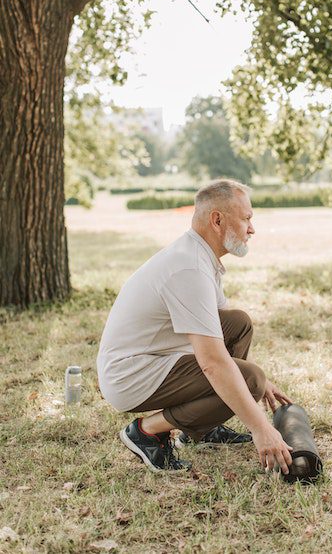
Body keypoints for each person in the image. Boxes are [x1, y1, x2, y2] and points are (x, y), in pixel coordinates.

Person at [97, 179, 293, 474]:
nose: (252, 229)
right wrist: (261, 428)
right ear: (217, 220)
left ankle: (203, 428)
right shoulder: (189, 268)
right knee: (250, 379)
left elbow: (221, 333)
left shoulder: (199, 255)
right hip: (131, 375)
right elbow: (213, 363)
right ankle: (147, 431)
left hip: (158, 357)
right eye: (247, 219)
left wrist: (261, 386)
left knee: (238, 325)